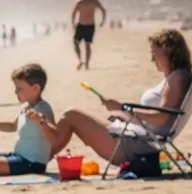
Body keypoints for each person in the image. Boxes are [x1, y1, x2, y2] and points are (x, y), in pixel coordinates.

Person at [44, 29, 191, 167]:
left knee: (71, 115)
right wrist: (123, 113)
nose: (152, 59)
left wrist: (123, 107)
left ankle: (40, 160)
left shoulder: (176, 79)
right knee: (109, 116)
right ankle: (43, 158)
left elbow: (161, 118)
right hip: (142, 141)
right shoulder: (178, 76)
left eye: (155, 53)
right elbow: (160, 119)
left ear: (168, 52)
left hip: (136, 146)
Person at [72, 0, 107, 69]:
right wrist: (103, 21)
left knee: (78, 43)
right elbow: (103, 10)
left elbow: (73, 13)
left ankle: (82, 61)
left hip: (82, 25)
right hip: (89, 25)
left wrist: (73, 23)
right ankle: (85, 63)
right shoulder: (93, 1)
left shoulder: (81, 1)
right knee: (86, 45)